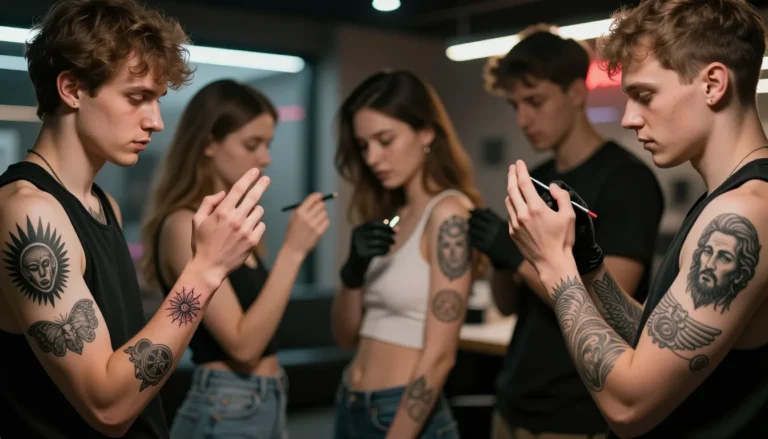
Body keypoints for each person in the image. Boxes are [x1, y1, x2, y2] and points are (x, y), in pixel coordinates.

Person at [0, 1, 271, 438]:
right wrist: (205, 270)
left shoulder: (105, 203)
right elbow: (108, 407)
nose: (157, 121)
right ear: (71, 88)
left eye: (158, 100)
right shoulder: (28, 212)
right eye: (136, 97)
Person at [503, 0, 768, 437]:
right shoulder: (728, 199)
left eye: (644, 96)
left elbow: (629, 406)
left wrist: (553, 263)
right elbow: (658, 339)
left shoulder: (742, 213)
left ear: (714, 83)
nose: (628, 119)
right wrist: (589, 266)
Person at [471, 26, 665, 439]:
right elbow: (507, 307)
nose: (523, 119)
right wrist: (497, 258)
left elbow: (612, 306)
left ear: (577, 93)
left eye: (535, 102)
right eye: (515, 105)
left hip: (577, 409)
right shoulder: (536, 179)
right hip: (514, 397)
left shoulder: (626, 181)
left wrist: (517, 257)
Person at [141, 79, 329, 438]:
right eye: (252, 144)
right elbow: (243, 346)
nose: (266, 157)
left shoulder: (234, 224)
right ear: (210, 143)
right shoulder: (184, 225)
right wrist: (294, 251)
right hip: (226, 405)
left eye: (268, 144)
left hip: (266, 399)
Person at [331, 70, 487, 439]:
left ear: (426, 132)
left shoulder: (448, 214)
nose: (372, 157)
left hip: (401, 416)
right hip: (350, 403)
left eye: (385, 140)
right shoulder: (390, 215)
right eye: (364, 145)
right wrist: (352, 273)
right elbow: (344, 337)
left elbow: (440, 356)